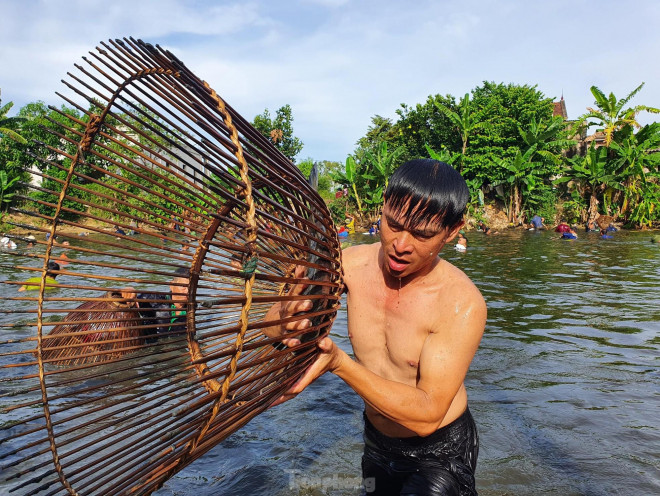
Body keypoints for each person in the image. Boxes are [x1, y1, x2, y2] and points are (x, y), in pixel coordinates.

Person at [266, 159, 486, 495]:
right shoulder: (349, 265)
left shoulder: (461, 303)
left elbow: (427, 414)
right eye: (393, 224)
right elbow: (271, 330)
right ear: (381, 208)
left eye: (422, 234)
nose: (401, 244)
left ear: (452, 232)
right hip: (377, 439)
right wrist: (286, 314)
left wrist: (339, 365)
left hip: (440, 450)